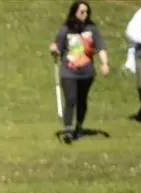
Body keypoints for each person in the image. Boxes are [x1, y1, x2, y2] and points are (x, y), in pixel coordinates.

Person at [50, 2, 109, 143]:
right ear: (74, 12)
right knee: (70, 99)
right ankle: (68, 129)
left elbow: (100, 47)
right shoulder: (65, 29)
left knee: (82, 100)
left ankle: (79, 126)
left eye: (87, 12)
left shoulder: (92, 29)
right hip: (68, 71)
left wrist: (105, 63)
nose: (85, 14)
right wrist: (53, 49)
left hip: (87, 72)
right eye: (82, 12)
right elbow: (58, 47)